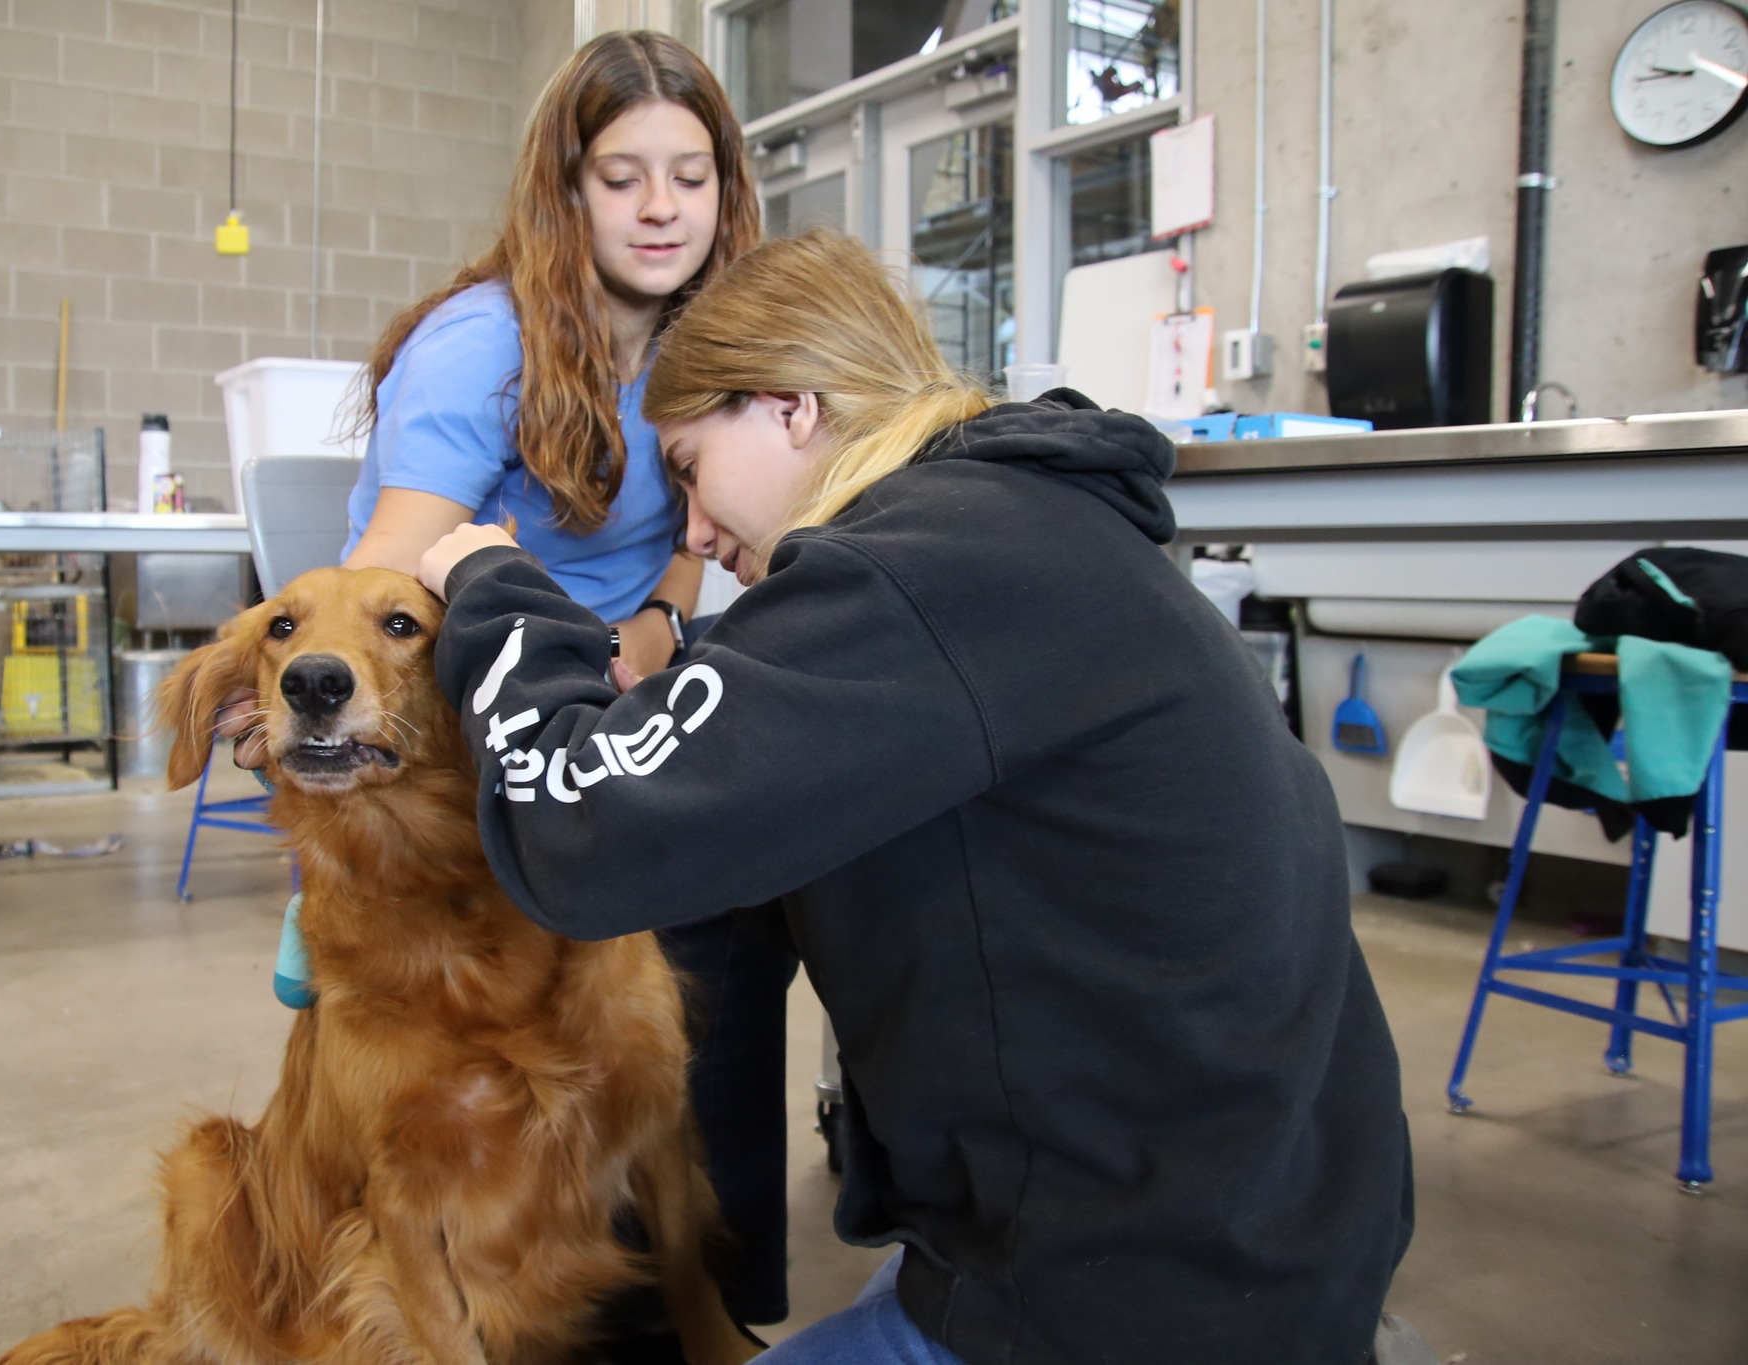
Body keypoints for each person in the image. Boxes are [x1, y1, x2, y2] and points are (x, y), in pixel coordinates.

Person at [416, 230, 1415, 1364]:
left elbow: (577, 834)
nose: (690, 534)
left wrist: (495, 597)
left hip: (1127, 1305)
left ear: (790, 407)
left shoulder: (918, 572)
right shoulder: (1016, 530)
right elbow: (717, 852)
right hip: (1254, 1233)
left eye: (688, 468)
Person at [231, 31, 798, 1329]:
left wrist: (654, 625)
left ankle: (717, 1297)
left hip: (623, 673)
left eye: (692, 176)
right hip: (479, 689)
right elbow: (379, 583)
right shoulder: (476, 346)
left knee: (754, 901)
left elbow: (685, 529)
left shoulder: (709, 332)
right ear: (566, 188)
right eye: (622, 176)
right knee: (659, 926)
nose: (662, 209)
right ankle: (597, 1311)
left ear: (727, 191)